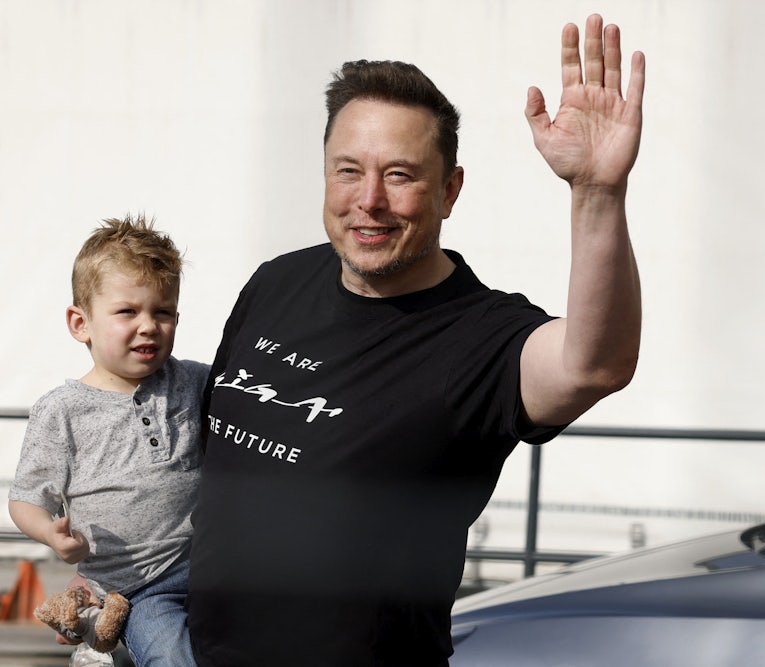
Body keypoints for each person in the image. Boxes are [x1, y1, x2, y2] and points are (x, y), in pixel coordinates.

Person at [186, 13, 643, 666]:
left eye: (400, 175)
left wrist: (598, 193)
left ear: (450, 190)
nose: (369, 199)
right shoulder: (276, 281)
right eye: (349, 170)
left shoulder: (483, 338)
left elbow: (593, 365)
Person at [8, 215, 208, 667]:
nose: (149, 326)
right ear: (81, 323)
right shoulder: (63, 410)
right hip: (135, 588)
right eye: (127, 311)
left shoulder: (193, 380)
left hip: (211, 562)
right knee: (174, 658)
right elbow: (24, 500)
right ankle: (98, 634)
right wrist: (51, 535)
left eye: (163, 312)